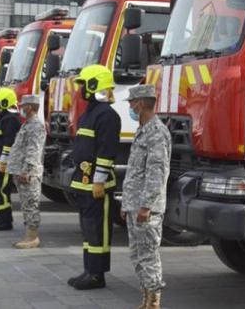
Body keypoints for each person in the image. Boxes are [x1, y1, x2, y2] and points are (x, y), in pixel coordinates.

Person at [67, 64, 120, 291]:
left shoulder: (107, 115)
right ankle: (89, 270)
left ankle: (97, 275)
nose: (80, 89)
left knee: (98, 230)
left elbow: (106, 151)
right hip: (83, 183)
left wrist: (99, 180)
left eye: (82, 84)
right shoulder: (89, 113)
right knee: (88, 228)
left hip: (97, 185)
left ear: (93, 84)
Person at [121, 85, 172, 309]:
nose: (130, 107)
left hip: (146, 207)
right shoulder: (143, 130)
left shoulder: (157, 132)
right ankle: (146, 297)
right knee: (137, 254)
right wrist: (126, 203)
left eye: (132, 103)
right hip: (135, 203)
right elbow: (135, 172)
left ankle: (153, 302)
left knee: (148, 254)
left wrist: (146, 205)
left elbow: (156, 172)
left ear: (141, 103)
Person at [8, 94, 46, 249]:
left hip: (29, 173)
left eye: (23, 105)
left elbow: (34, 150)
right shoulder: (27, 124)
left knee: (31, 204)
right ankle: (28, 235)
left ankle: (32, 237)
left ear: (30, 107)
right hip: (22, 170)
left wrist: (27, 170)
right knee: (26, 204)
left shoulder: (36, 125)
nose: (21, 108)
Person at [0, 87, 22, 231]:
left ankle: (4, 221)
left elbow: (9, 142)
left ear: (5, 102)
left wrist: (3, 160)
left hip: (4, 162)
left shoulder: (10, 119)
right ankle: (4, 220)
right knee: (1, 189)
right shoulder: (4, 117)